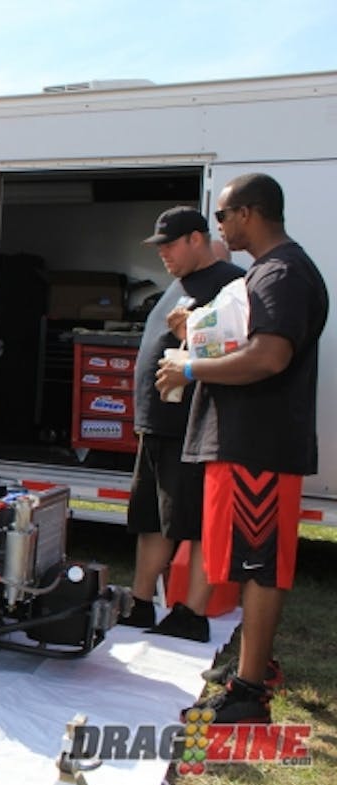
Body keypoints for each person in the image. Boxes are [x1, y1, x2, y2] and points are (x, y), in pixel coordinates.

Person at [158, 173, 328, 723]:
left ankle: (250, 693)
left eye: (225, 215)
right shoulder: (269, 273)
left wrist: (190, 365)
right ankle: (255, 670)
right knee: (249, 561)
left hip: (260, 447)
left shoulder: (282, 273)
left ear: (251, 213)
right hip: (245, 444)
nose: (220, 226)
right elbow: (242, 342)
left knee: (260, 567)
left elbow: (268, 356)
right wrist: (197, 334)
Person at [119, 207, 244, 642]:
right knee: (151, 518)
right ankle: (140, 602)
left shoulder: (231, 284)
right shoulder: (179, 283)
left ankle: (192, 612)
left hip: (195, 426)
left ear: (197, 239)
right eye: (159, 248)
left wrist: (193, 333)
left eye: (170, 245)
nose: (164, 255)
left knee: (196, 522)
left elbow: (237, 349)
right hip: (158, 425)